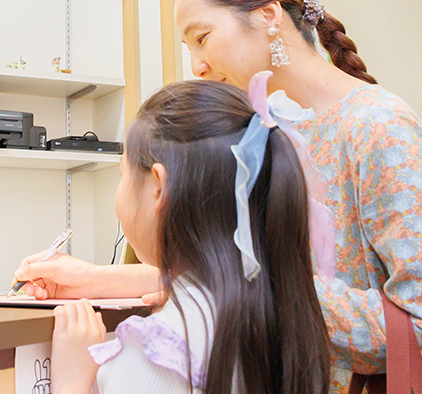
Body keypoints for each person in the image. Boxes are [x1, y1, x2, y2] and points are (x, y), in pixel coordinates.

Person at [15, 0, 422, 392]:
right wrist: (89, 279)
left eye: (202, 38)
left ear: (268, 16)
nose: (197, 66)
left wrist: (267, 295)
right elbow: (231, 274)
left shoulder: (380, 128)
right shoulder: (265, 133)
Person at [49, 79, 331, 394]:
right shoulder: (280, 313)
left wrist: (71, 383)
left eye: (122, 174)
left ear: (158, 188)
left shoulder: (152, 352)